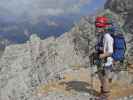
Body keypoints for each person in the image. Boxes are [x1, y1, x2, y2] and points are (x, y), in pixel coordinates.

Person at [95, 16, 114, 100]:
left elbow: (110, 51)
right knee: (101, 76)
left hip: (106, 62)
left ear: (104, 26)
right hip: (102, 61)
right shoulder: (101, 35)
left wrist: (100, 56)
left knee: (105, 78)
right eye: (97, 26)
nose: (98, 28)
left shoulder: (107, 37)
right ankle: (103, 92)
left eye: (100, 26)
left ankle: (105, 96)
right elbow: (102, 48)